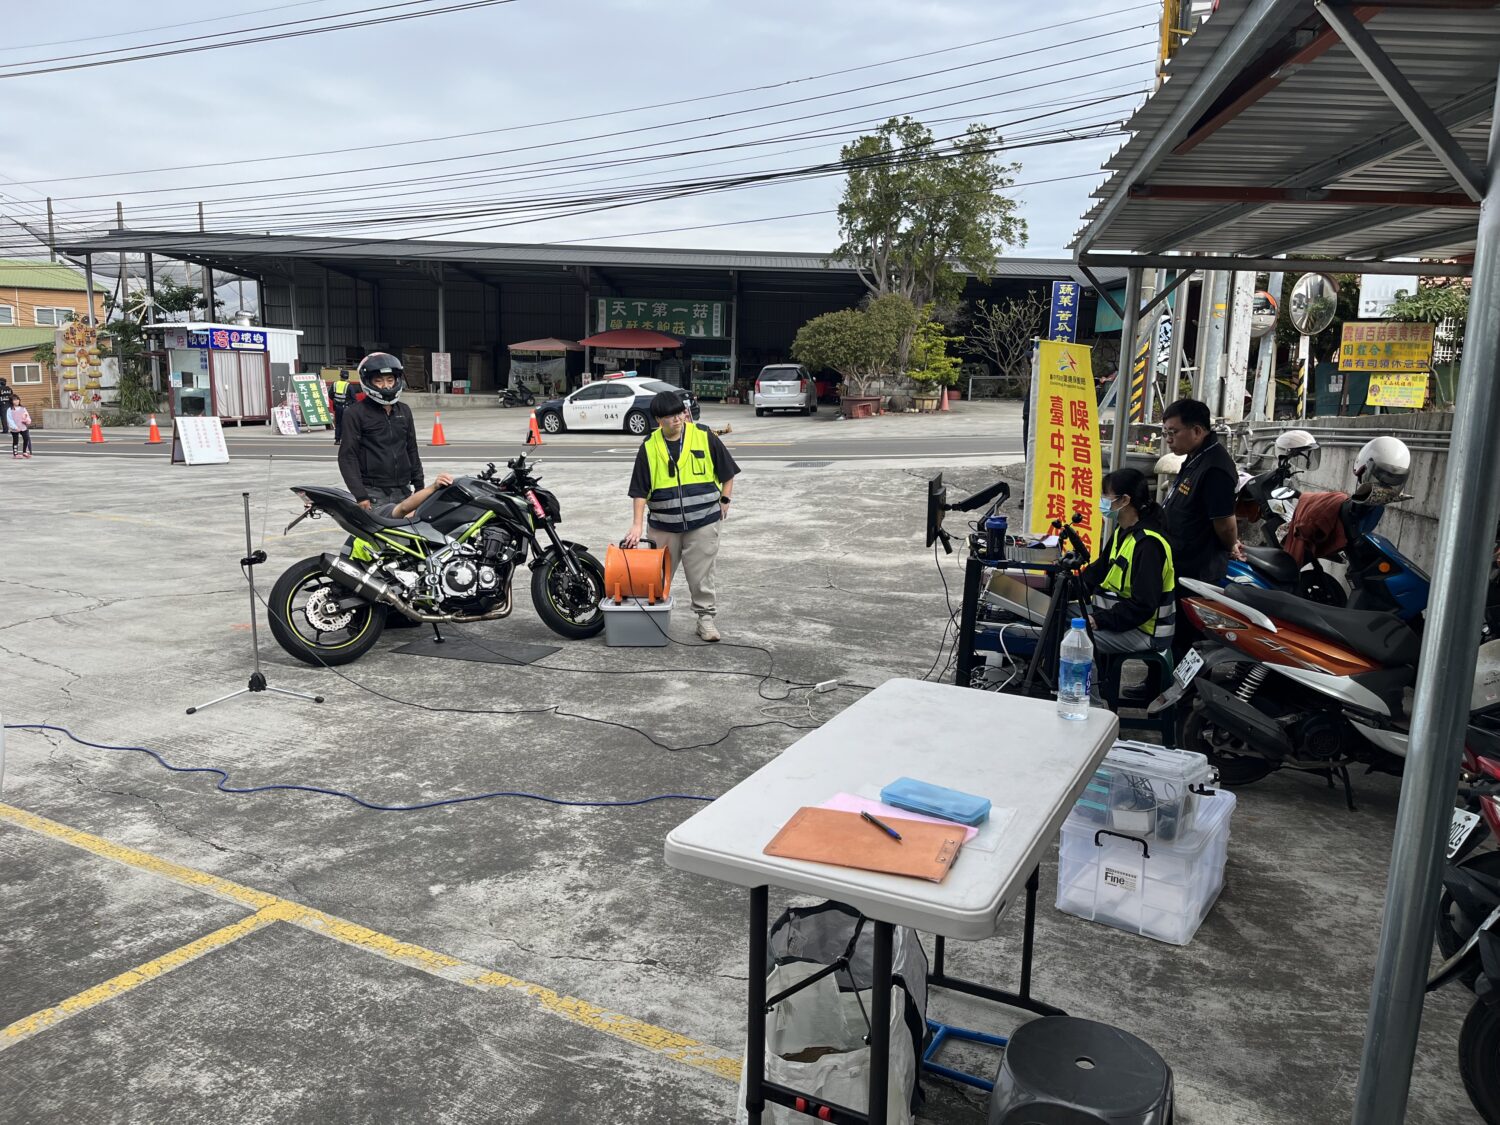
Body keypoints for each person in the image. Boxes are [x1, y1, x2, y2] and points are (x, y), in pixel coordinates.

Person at [624, 390, 739, 642]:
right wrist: (636, 524)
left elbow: (727, 471)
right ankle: (651, 617)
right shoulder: (649, 446)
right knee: (656, 576)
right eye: (670, 417)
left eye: (680, 413)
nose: (677, 419)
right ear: (658, 420)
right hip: (663, 525)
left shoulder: (704, 436)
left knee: (702, 575)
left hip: (703, 521)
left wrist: (725, 499)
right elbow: (639, 490)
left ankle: (705, 619)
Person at [1159, 397, 1244, 659]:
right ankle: (1159, 687)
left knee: (1186, 637)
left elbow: (1225, 523)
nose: (1168, 439)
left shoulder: (1215, 467)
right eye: (1165, 433)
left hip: (1196, 568)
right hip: (1178, 561)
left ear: (1197, 430)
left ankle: (1181, 696)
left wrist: (1232, 546)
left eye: (1173, 432)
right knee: (1169, 632)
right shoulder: (1196, 456)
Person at [1081, 468, 1175, 657]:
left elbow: (1143, 606)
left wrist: (1099, 620)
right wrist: (1065, 587)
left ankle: (1087, 687)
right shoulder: (1123, 531)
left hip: (1145, 630)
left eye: (1105, 495)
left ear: (1124, 500)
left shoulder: (1148, 544)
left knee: (1077, 642)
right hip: (1121, 619)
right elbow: (1099, 571)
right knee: (1059, 616)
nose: (1102, 500)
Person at [337, 352, 423, 511]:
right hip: (373, 492)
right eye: (379, 381)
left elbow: (411, 449)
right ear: (367, 382)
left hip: (404, 490)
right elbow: (348, 456)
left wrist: (419, 486)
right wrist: (360, 495)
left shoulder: (404, 410)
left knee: (407, 534)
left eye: (390, 380)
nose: (386, 386)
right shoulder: (355, 413)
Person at [330, 372, 356, 444]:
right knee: (347, 423)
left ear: (340, 376)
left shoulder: (334, 384)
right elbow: (353, 398)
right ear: (347, 377)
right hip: (347, 407)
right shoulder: (349, 386)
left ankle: (337, 440)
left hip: (337, 407)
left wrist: (335, 401)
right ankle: (345, 439)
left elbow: (330, 395)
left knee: (338, 423)